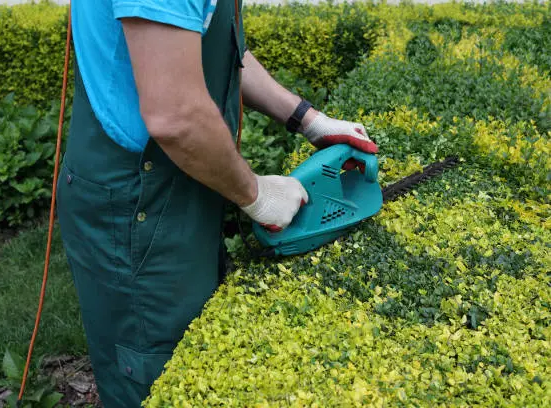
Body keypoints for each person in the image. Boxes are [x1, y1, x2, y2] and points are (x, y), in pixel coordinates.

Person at [56, 0, 379, 406]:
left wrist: (305, 117)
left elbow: (209, 44)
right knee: (159, 374)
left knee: (198, 353)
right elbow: (176, 117)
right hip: (136, 200)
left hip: (175, 179)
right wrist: (256, 194)